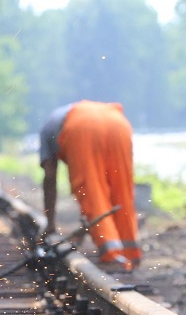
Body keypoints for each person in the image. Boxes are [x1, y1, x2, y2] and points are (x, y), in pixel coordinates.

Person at [39, 100, 142, 270]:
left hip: (82, 127)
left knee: (93, 191)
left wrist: (50, 224)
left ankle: (113, 256)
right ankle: (130, 254)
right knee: (121, 190)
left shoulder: (46, 130)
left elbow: (50, 176)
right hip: (118, 122)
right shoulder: (58, 120)